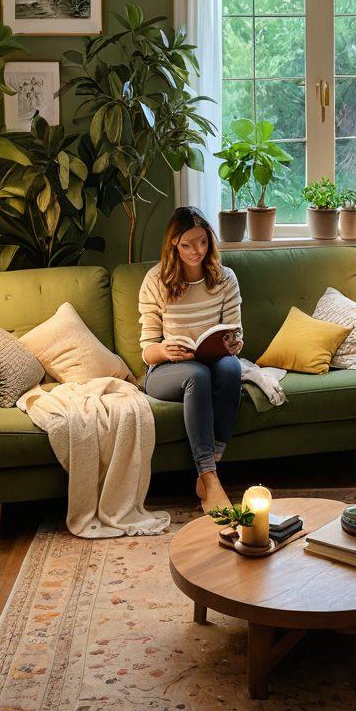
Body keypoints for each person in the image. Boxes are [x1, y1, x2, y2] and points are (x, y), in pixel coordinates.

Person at [139, 207, 244, 512]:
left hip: (213, 362)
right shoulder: (156, 280)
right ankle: (210, 479)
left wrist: (233, 343)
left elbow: (236, 333)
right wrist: (165, 350)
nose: (196, 251)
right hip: (166, 371)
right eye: (187, 245)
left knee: (230, 367)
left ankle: (211, 464)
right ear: (173, 244)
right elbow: (147, 349)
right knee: (196, 374)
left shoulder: (225, 278)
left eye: (202, 242)